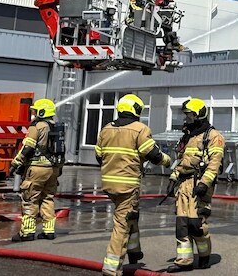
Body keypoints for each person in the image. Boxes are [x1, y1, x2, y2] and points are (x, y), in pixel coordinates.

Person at [96, 94, 171, 275]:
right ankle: (112, 267)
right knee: (122, 223)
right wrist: (168, 161)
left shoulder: (105, 129)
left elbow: (99, 156)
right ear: (136, 110)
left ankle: (134, 251)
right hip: (128, 186)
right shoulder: (139, 129)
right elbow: (153, 155)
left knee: (131, 215)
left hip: (108, 184)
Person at [169, 98, 224, 271]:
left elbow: (214, 163)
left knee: (196, 224)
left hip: (199, 183)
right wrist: (172, 179)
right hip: (183, 184)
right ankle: (184, 261)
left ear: (199, 115)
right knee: (182, 224)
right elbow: (181, 162)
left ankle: (204, 255)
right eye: (186, 116)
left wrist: (204, 183)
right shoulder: (188, 136)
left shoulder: (213, 136)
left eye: (190, 116)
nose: (187, 119)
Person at [10, 98, 64, 241]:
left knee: (30, 199)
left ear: (41, 111)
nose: (33, 114)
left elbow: (28, 147)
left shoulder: (37, 126)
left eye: (35, 111)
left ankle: (27, 232)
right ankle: (49, 230)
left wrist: (16, 163)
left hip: (36, 169)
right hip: (53, 169)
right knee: (48, 198)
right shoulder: (56, 127)